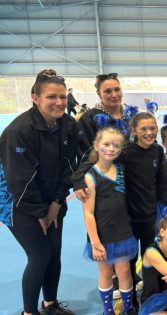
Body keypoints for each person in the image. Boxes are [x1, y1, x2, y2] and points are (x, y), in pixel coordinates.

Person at [0, 69, 77, 315]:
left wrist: (56, 202)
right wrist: (41, 212)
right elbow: (20, 181)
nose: (59, 102)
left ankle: (50, 305)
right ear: (35, 98)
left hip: (50, 198)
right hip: (17, 202)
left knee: (54, 255)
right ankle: (28, 312)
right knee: (40, 256)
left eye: (63, 96)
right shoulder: (19, 131)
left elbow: (68, 166)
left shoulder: (67, 124)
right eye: (52, 97)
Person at [73, 111, 164, 304]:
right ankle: (131, 301)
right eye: (143, 129)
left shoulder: (158, 151)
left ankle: (150, 293)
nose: (149, 132)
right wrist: (77, 180)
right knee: (127, 264)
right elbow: (93, 161)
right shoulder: (125, 152)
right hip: (128, 217)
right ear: (134, 131)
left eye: (152, 128)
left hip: (149, 215)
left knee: (150, 256)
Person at [81, 128, 137, 315]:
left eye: (116, 145)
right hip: (102, 234)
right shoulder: (90, 176)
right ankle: (108, 310)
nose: (111, 149)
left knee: (124, 272)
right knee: (105, 273)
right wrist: (96, 243)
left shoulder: (120, 169)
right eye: (106, 144)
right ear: (96, 146)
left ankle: (128, 308)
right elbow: (88, 213)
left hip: (123, 230)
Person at [76, 73, 131, 165]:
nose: (114, 95)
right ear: (99, 94)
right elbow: (86, 155)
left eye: (117, 90)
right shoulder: (89, 119)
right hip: (104, 174)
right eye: (108, 91)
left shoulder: (132, 115)